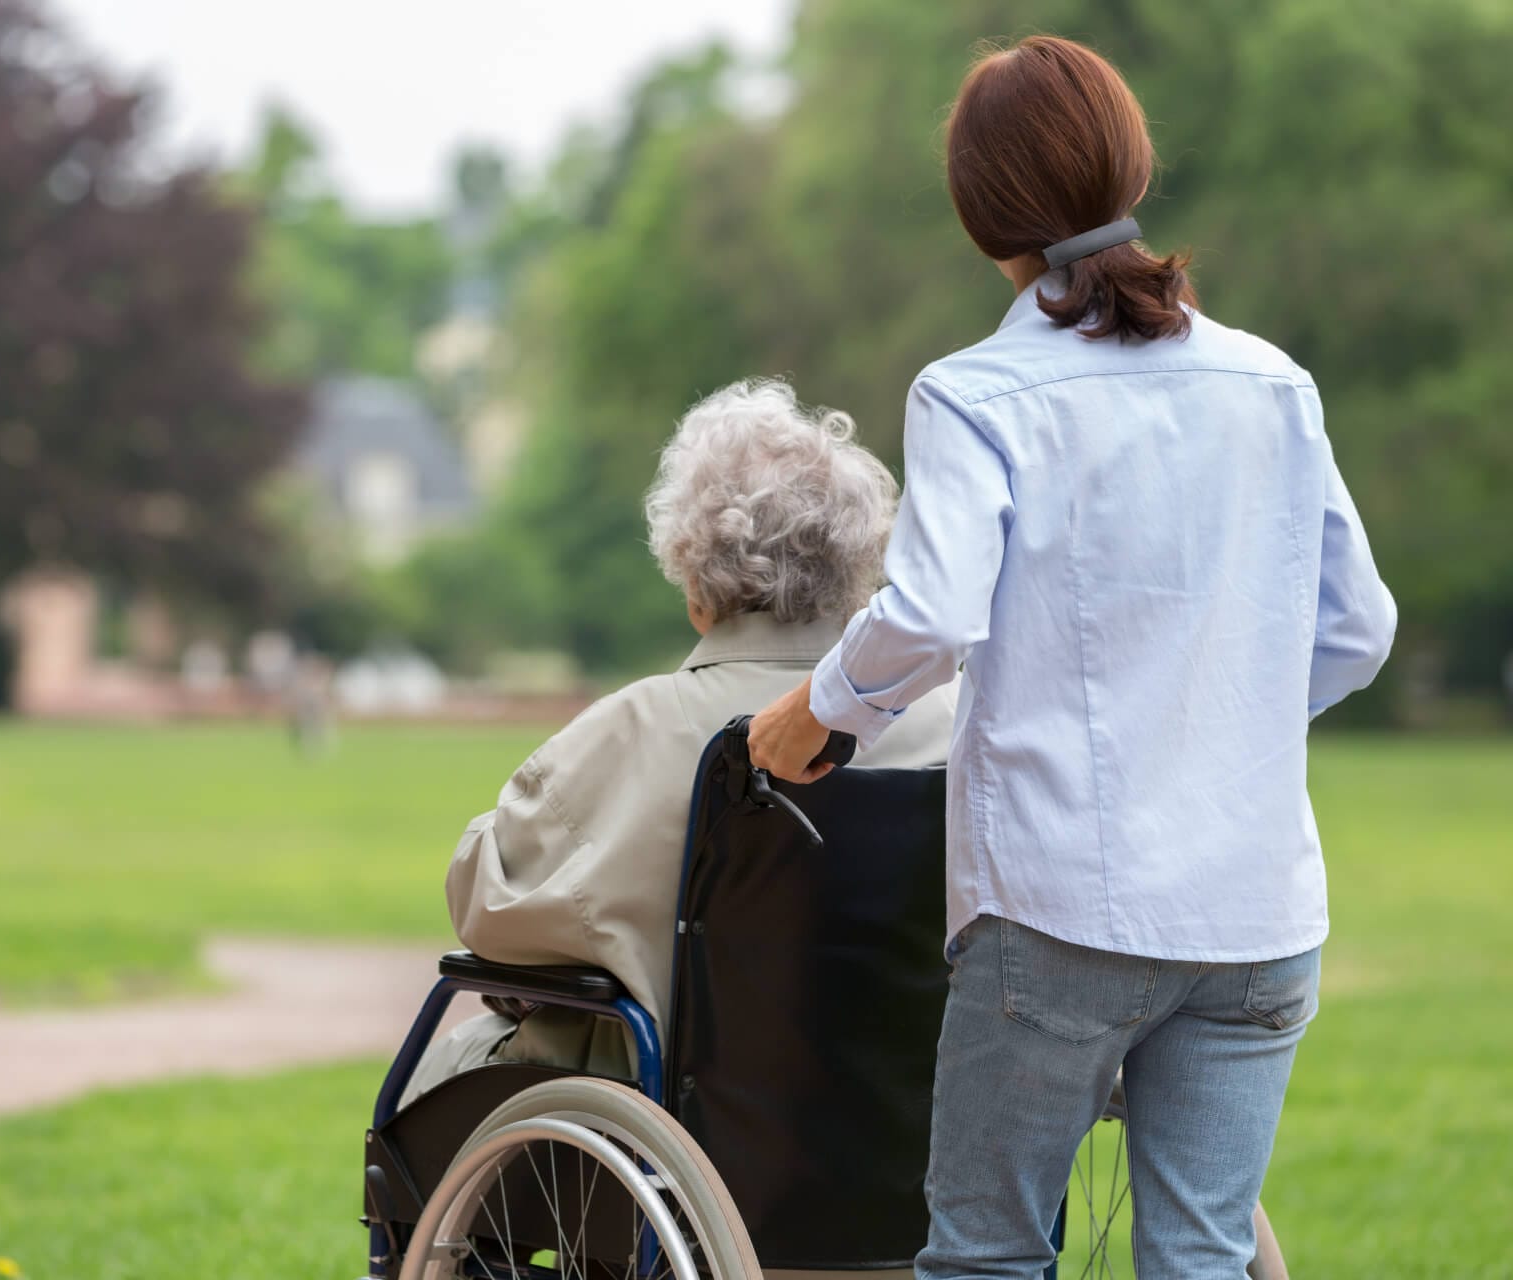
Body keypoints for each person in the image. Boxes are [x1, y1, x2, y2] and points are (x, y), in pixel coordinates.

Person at [748, 36, 1396, 1279]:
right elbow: (1358, 627)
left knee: (988, 1256)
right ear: (1132, 167)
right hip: (1257, 911)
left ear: (976, 211)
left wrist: (817, 712)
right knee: (1201, 1255)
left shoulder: (974, 395)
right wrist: (1221, 718)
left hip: (1061, 907)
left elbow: (932, 615)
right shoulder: (1274, 385)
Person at [402, 379, 958, 1104]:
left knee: (447, 1071)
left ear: (696, 581)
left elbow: (487, 909)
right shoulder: (952, 723)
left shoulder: (632, 731)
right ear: (859, 569)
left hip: (672, 1132)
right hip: (905, 1123)